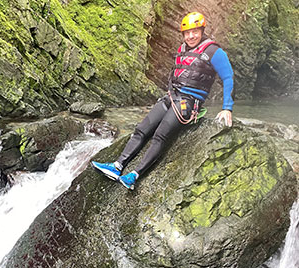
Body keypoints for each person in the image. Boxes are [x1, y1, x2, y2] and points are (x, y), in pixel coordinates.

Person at [91, 11, 234, 190]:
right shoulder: (183, 48)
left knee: (160, 135)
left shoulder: (214, 51)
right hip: (171, 97)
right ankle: (117, 166)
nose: (191, 36)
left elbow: (228, 77)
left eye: (195, 31)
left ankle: (134, 176)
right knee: (141, 130)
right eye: (187, 33)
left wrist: (227, 107)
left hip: (188, 103)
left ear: (202, 30)